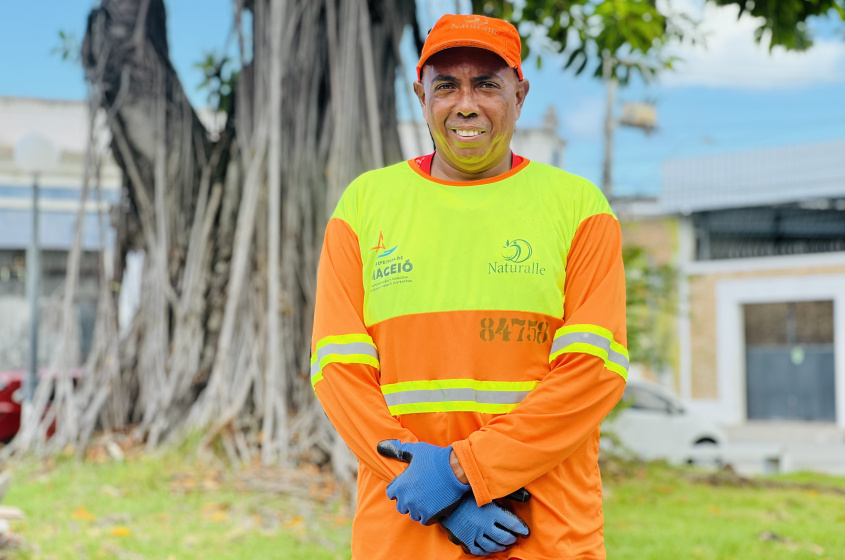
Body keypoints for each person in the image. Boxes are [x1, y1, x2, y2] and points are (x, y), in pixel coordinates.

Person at [310, 13, 628, 560]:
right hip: (407, 524)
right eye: (446, 85)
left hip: (543, 528)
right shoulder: (365, 207)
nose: (465, 104)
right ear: (421, 95)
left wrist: (462, 471)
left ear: (519, 93)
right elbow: (339, 373)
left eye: (486, 84)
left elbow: (594, 372)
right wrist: (437, 496)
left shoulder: (578, 208)